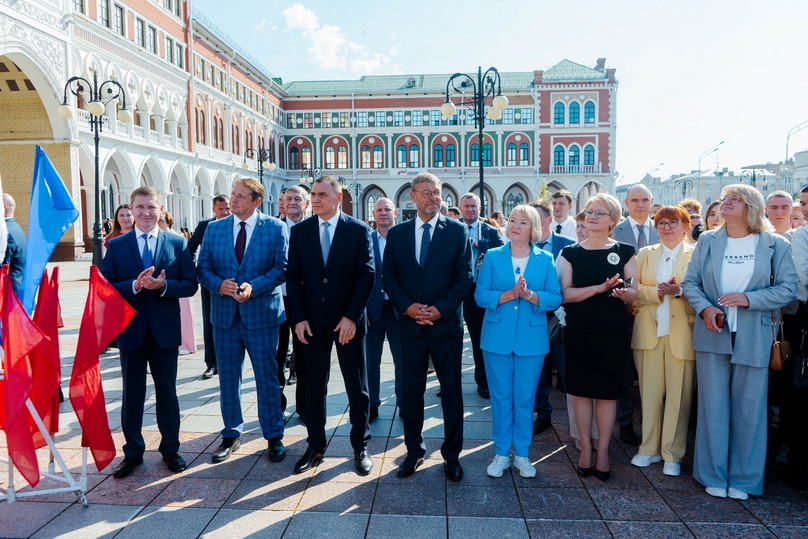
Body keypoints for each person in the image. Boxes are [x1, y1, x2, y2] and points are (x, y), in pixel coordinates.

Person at [681, 183, 797, 500]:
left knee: (750, 410)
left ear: (751, 206)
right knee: (713, 407)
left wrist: (749, 299)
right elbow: (690, 282)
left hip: (754, 334)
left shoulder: (775, 244)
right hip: (713, 331)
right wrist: (705, 308)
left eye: (735, 199)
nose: (726, 203)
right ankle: (712, 475)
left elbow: (788, 288)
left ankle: (744, 481)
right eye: (725, 198)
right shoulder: (707, 240)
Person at [101, 186, 198, 478]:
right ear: (131, 210)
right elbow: (105, 287)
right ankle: (132, 453)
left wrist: (164, 286)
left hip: (165, 330)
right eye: (140, 207)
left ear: (161, 209)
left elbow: (190, 284)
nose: (145, 213)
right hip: (130, 330)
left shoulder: (176, 242)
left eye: (151, 207)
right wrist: (135, 285)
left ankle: (171, 450)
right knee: (132, 394)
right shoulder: (117, 245)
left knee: (167, 392)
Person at [383, 172, 473, 482]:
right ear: (413, 197)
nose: (433, 197)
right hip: (410, 327)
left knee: (451, 392)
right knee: (411, 392)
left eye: (437, 192)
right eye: (426, 192)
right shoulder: (398, 234)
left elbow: (465, 277)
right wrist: (408, 307)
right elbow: (389, 277)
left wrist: (440, 310)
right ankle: (414, 451)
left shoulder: (457, 231)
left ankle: (452, 455)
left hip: (445, 326)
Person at [286, 176, 375, 476]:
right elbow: (293, 277)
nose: (316, 199)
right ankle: (315, 446)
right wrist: (298, 318)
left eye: (322, 194)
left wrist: (351, 316)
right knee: (313, 387)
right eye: (313, 194)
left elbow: (366, 275)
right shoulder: (300, 231)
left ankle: (360, 446)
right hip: (312, 323)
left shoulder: (358, 230)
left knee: (357, 388)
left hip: (348, 323)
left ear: (339, 198)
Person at [197, 179, 288, 465]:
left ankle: (273, 435)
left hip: (261, 316)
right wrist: (218, 284)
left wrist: (253, 286)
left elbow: (282, 267)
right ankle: (231, 434)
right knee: (228, 379)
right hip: (224, 318)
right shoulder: (214, 229)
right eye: (233, 194)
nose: (233, 200)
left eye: (240, 196)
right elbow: (203, 268)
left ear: (256, 202)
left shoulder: (275, 227)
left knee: (267, 377)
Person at [475, 205, 562, 478]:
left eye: (523, 222)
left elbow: (555, 297)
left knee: (525, 399)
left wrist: (530, 295)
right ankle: (501, 453)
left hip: (531, 340)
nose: (515, 225)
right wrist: (510, 295)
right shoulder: (493, 256)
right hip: (496, 339)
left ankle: (522, 455)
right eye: (512, 220)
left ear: (533, 228)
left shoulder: (545, 258)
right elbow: (480, 295)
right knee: (501, 398)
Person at [556, 193, 638, 481]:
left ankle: (603, 452)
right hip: (579, 331)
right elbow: (565, 294)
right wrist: (598, 289)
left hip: (612, 332)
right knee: (579, 392)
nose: (591, 216)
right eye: (589, 211)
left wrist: (623, 292)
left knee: (606, 394)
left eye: (599, 213)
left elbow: (634, 292)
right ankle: (586, 449)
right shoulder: (570, 252)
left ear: (612, 220)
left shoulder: (626, 251)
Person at [631, 206, 696, 477]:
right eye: (661, 223)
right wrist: (657, 292)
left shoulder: (697, 253)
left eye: (673, 222)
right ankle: (648, 449)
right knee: (649, 395)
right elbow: (633, 289)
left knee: (679, 398)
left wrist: (678, 291)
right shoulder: (645, 253)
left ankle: (672, 454)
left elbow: (705, 291)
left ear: (686, 226)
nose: (667, 227)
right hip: (649, 332)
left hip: (682, 333)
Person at [608, 183, 657, 446]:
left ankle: (651, 424)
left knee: (649, 372)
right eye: (635, 200)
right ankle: (625, 422)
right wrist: (627, 299)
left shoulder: (663, 229)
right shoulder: (614, 232)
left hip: (656, 310)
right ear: (626, 203)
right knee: (624, 370)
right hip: (622, 311)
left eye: (644, 200)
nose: (640, 205)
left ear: (651, 201)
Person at [529, 199, 574, 434]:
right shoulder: (522, 246)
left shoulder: (568, 246)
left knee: (567, 371)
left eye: (536, 219)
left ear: (549, 220)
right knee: (538, 371)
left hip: (561, 318)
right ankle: (542, 414)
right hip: (532, 316)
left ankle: (576, 422)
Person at [460, 192, 505, 399]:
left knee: (479, 337)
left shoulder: (491, 231)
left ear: (480, 208)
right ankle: (449, 381)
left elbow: (502, 255)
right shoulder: (452, 230)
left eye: (473, 206)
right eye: (466, 206)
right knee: (451, 338)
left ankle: (483, 381)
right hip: (457, 289)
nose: (470, 209)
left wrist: (479, 244)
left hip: (480, 289)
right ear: (461, 208)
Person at [366, 197, 403, 419]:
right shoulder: (366, 240)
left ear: (395, 212)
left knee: (403, 360)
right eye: (378, 210)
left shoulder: (405, 239)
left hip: (400, 310)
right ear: (373, 214)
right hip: (373, 311)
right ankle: (371, 403)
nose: (383, 213)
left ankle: (404, 402)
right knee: (371, 361)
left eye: (387, 209)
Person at [188, 195, 231, 379]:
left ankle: (229, 361)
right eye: (221, 209)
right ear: (214, 210)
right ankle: (211, 363)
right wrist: (195, 271)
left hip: (233, 281)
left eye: (228, 208)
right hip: (210, 282)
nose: (225, 212)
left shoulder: (236, 224)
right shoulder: (205, 226)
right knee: (210, 322)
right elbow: (190, 249)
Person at [278, 186, 309, 402]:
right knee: (277, 355)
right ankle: (277, 405)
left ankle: (305, 406)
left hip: (306, 302)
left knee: (305, 354)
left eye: (297, 199)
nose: (292, 202)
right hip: (279, 300)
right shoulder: (272, 228)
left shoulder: (314, 228)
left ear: (306, 203)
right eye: (288, 199)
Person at [159, 211, 197, 355]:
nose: (159, 223)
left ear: (168, 222)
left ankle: (186, 343)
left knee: (184, 315)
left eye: (162, 221)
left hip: (178, 282)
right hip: (166, 283)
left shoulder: (177, 238)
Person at [3, 193, 26, 294]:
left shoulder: (6, 232)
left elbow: (4, 264)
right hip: (17, 286)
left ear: (3, 207)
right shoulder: (15, 227)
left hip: (9, 291)